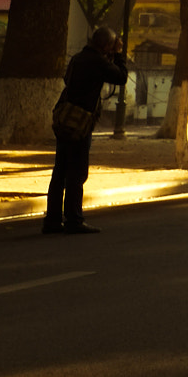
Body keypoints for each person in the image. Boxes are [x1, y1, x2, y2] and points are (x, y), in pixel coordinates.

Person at [46, 27, 128, 235]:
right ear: (106, 46)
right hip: (80, 121)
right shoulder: (98, 62)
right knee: (77, 172)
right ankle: (74, 219)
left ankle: (53, 220)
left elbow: (67, 80)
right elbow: (121, 77)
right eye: (111, 45)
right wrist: (119, 55)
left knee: (60, 170)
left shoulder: (77, 58)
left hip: (64, 117)